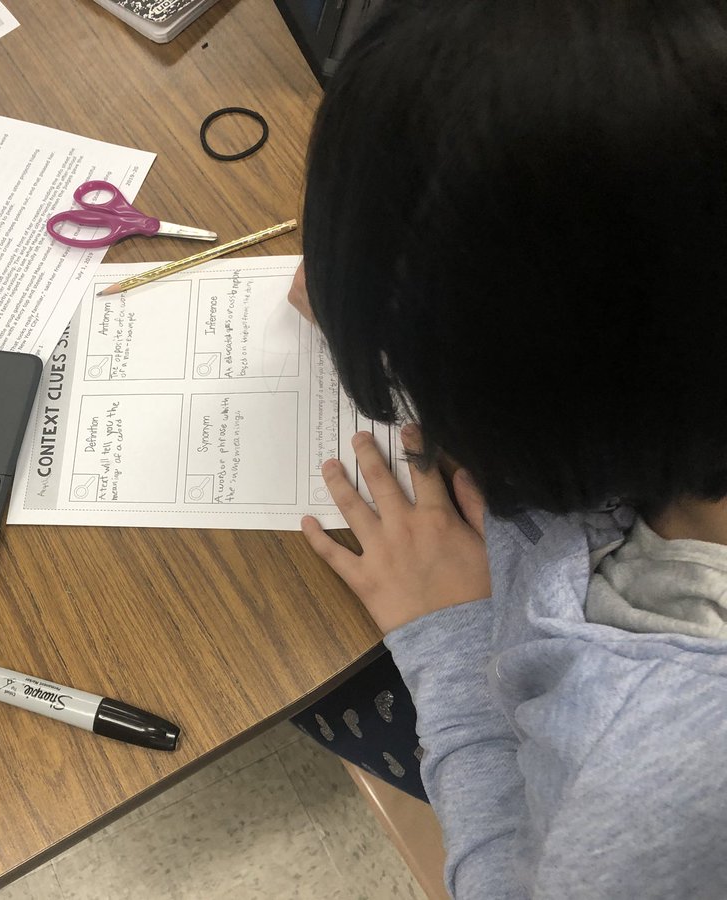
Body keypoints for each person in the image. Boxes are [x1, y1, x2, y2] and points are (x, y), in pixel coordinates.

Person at [289, 1, 727, 897]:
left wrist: (453, 637)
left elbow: (505, 879)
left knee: (323, 695)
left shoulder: (642, 777)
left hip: (541, 752)